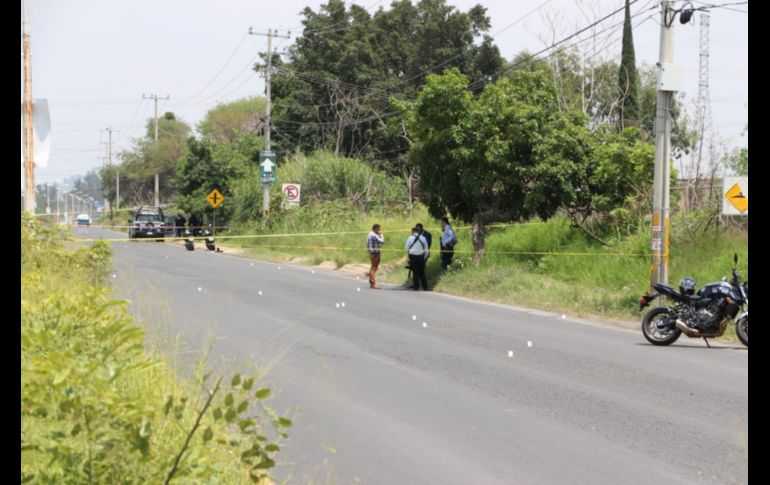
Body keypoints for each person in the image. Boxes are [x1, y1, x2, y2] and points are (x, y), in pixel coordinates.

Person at [405, 226, 429, 290]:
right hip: (421, 256)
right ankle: (425, 287)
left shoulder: (410, 238)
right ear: (418, 231)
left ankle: (416, 287)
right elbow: (426, 249)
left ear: (412, 231)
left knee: (415, 272)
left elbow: (406, 248)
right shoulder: (423, 238)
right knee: (422, 272)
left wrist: (409, 254)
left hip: (413, 256)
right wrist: (424, 257)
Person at [367, 224, 385, 289]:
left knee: (373, 267)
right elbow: (381, 241)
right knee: (374, 268)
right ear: (375, 229)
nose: (379, 230)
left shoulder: (370, 234)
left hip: (372, 252)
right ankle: (373, 283)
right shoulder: (373, 235)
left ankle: (371, 281)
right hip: (375, 253)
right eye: (378, 229)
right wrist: (381, 235)